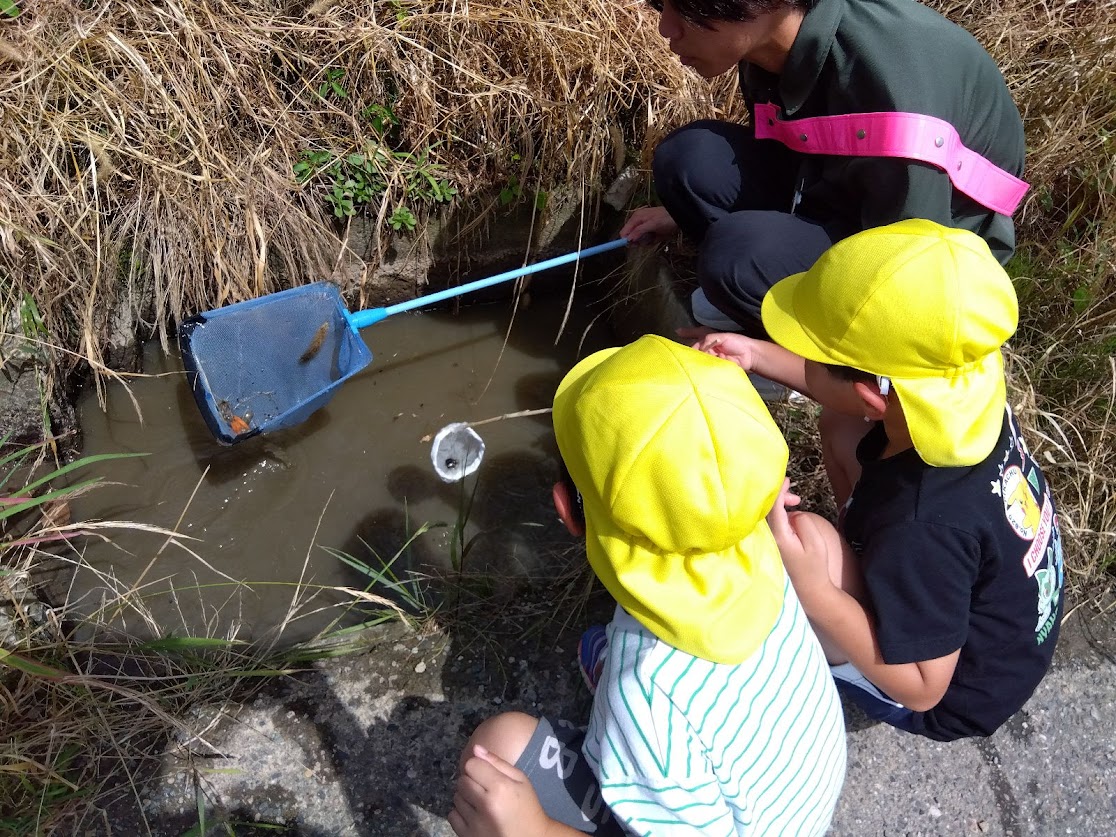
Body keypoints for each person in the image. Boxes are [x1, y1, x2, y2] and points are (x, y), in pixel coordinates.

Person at [448, 335, 846, 836]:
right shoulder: (759, 547)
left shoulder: (645, 696)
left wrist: (535, 831)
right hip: (794, 797)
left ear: (566, 511)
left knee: (497, 746)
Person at [694, 218, 1065, 741]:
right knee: (840, 423)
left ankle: (822, 643)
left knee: (805, 543)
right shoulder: (966, 388)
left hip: (948, 690)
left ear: (875, 394)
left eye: (813, 355)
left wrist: (817, 590)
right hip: (999, 619)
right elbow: (849, 392)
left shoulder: (921, 525)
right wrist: (754, 355)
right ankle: (866, 563)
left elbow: (924, 687)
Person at [620, 0, 1027, 336]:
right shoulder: (769, 43)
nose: (666, 28)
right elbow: (803, 146)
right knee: (690, 160)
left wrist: (775, 360)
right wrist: (680, 213)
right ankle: (769, 296)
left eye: (685, 8)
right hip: (846, 195)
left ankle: (819, 353)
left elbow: (912, 269)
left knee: (736, 256)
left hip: (927, 258)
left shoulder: (892, 94)